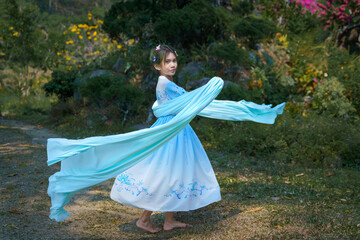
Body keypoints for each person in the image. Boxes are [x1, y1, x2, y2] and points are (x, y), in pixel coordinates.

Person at [110, 45, 221, 233]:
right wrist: (211, 88)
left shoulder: (167, 82)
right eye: (167, 61)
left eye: (174, 60)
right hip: (171, 131)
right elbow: (188, 99)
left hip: (178, 129)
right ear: (157, 66)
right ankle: (144, 219)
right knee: (164, 174)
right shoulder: (165, 83)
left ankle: (169, 220)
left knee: (175, 174)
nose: (172, 65)